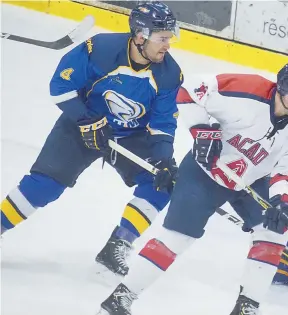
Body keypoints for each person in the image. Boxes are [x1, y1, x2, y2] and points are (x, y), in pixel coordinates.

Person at [97, 59, 288, 315]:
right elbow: (190, 91)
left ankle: (247, 307)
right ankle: (121, 297)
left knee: (274, 232)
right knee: (177, 237)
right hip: (205, 171)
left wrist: (283, 201)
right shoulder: (245, 91)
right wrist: (202, 132)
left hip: (253, 180)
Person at [0, 1, 183, 277]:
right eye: (163, 38)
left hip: (130, 136)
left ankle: (118, 243)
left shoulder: (169, 73)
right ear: (141, 35)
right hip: (81, 123)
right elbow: (60, 86)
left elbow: (163, 122)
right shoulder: (100, 49)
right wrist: (85, 119)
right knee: (44, 186)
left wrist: (164, 156)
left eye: (170, 38)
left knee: (162, 183)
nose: (168, 45)